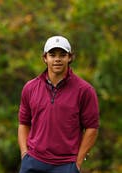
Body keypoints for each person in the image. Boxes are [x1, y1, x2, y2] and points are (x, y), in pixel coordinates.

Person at [17, 36, 99, 173]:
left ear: (70, 58)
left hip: (66, 165)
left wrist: (77, 163)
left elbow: (92, 128)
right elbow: (23, 123)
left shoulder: (85, 90)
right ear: (45, 58)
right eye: (52, 55)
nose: (57, 59)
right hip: (33, 162)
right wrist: (24, 155)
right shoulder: (30, 88)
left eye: (62, 55)